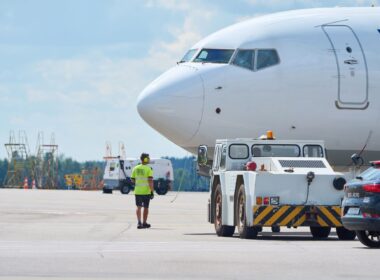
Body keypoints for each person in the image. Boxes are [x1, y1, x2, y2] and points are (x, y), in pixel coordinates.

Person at [131, 153, 154, 229]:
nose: (149, 159)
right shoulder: (148, 169)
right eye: (148, 158)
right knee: (146, 208)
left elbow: (132, 180)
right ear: (145, 159)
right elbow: (150, 181)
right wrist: (152, 191)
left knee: (139, 207)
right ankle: (144, 222)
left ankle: (139, 222)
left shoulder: (135, 168)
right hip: (146, 192)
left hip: (137, 191)